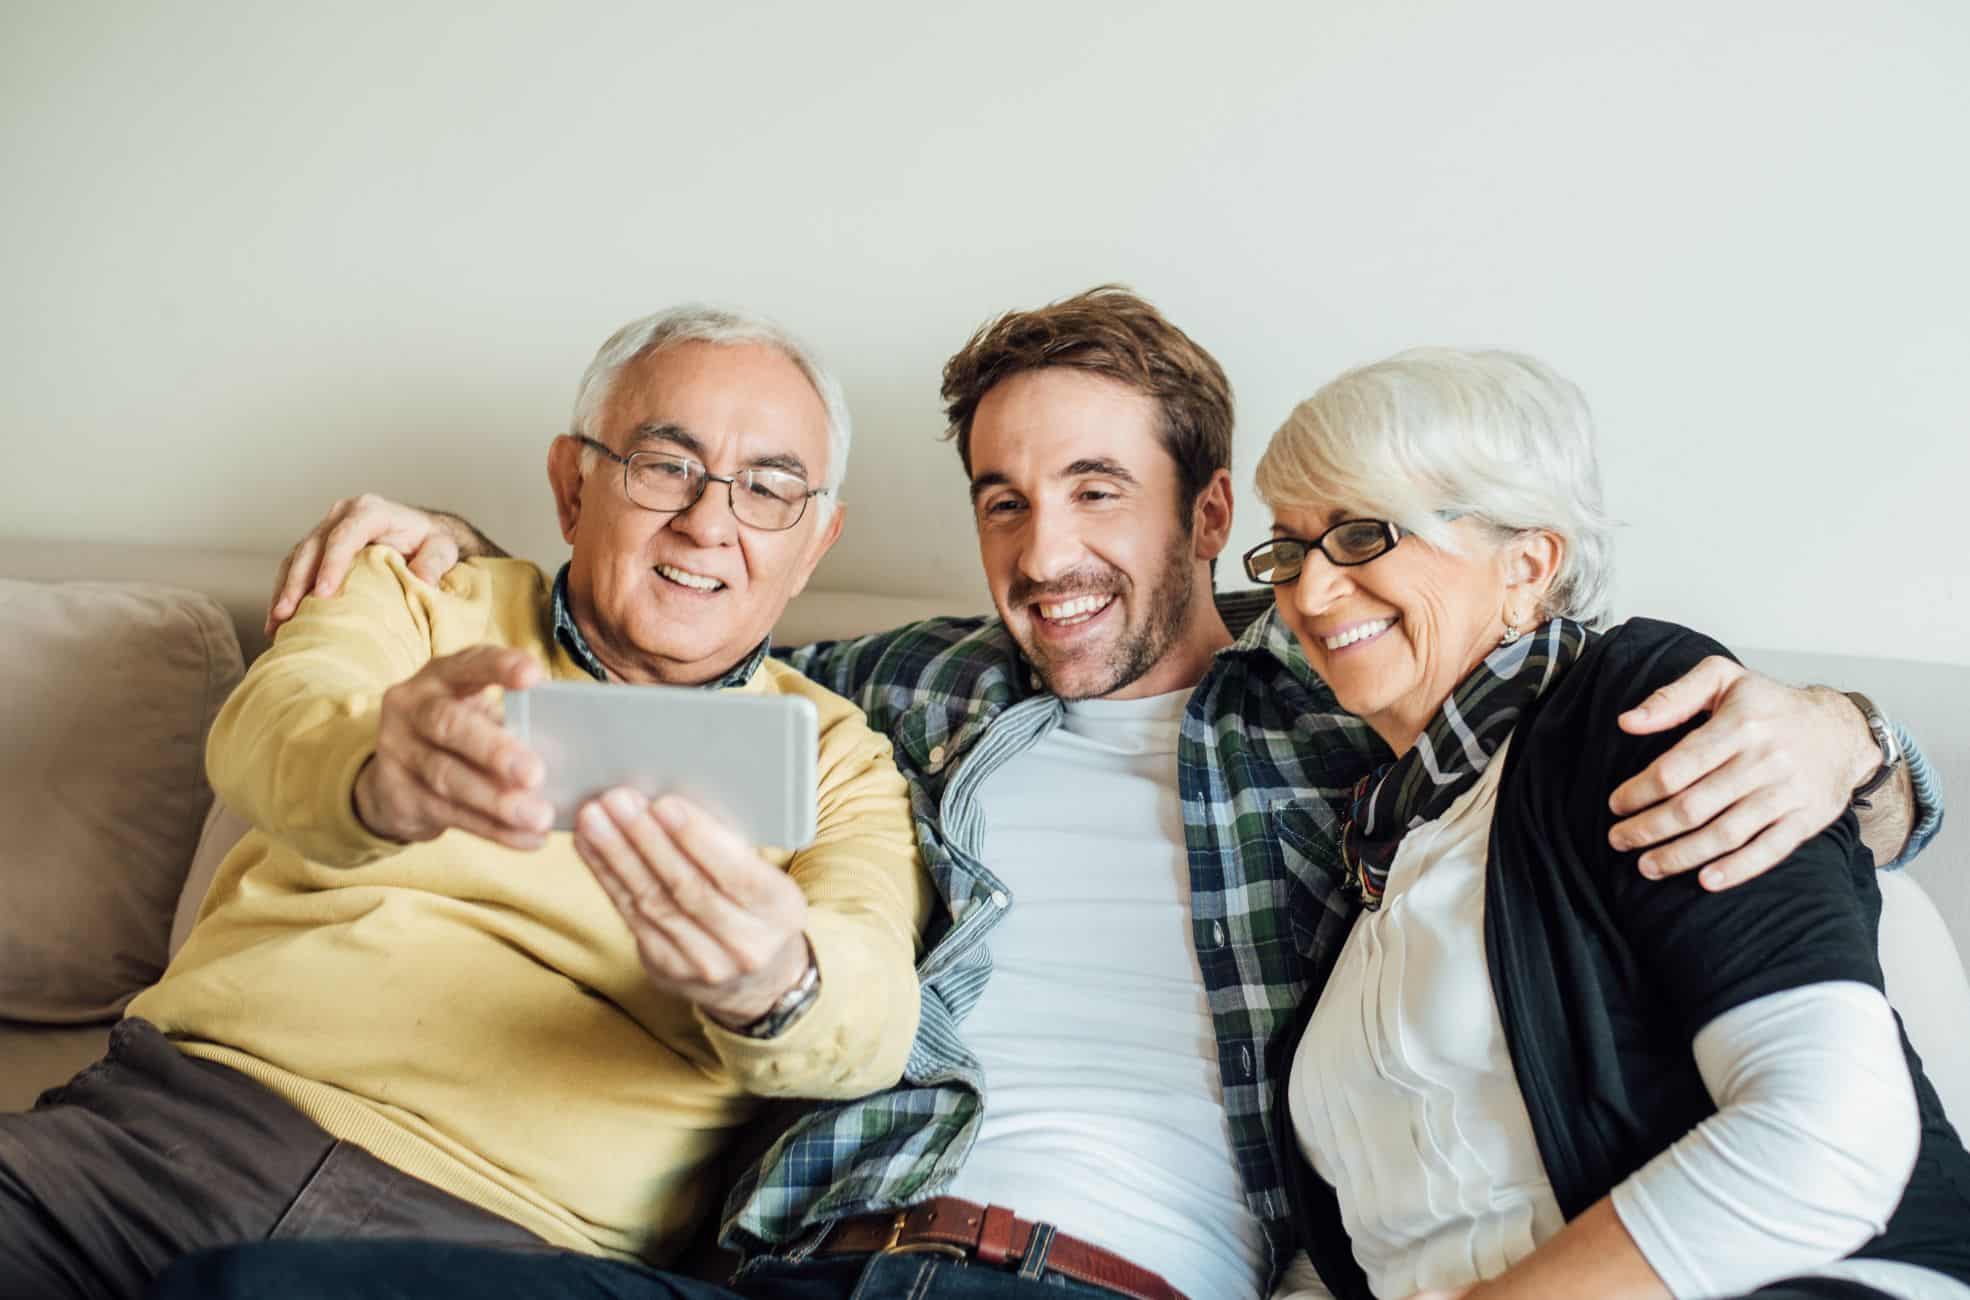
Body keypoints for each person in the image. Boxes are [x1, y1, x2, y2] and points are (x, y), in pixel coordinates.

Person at [154, 288, 1945, 1300]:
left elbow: (1601, 748)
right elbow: (668, 623)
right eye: (1006, 500)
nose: (1049, 551)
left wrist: (1862, 740)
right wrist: (453, 547)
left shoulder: (1358, 718)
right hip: (789, 1271)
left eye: (1100, 492)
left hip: (1104, 1283)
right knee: (260, 1298)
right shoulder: (891, 697)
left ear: (1208, 506)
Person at [0, 307, 931, 1299]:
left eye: (769, 488)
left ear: (814, 542)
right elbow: (272, 724)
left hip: (501, 1242)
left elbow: (870, 1008)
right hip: (159, 1139)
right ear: (573, 485)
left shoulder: (837, 757)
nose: (708, 521)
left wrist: (773, 978)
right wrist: (375, 771)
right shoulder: (420, 595)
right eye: (666, 466)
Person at [1250, 349, 1969, 1299]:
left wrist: (1857, 733)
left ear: (1528, 563)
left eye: (1361, 536)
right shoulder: (1384, 844)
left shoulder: (1645, 715)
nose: (1309, 593)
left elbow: (1828, 1135)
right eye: (1290, 550)